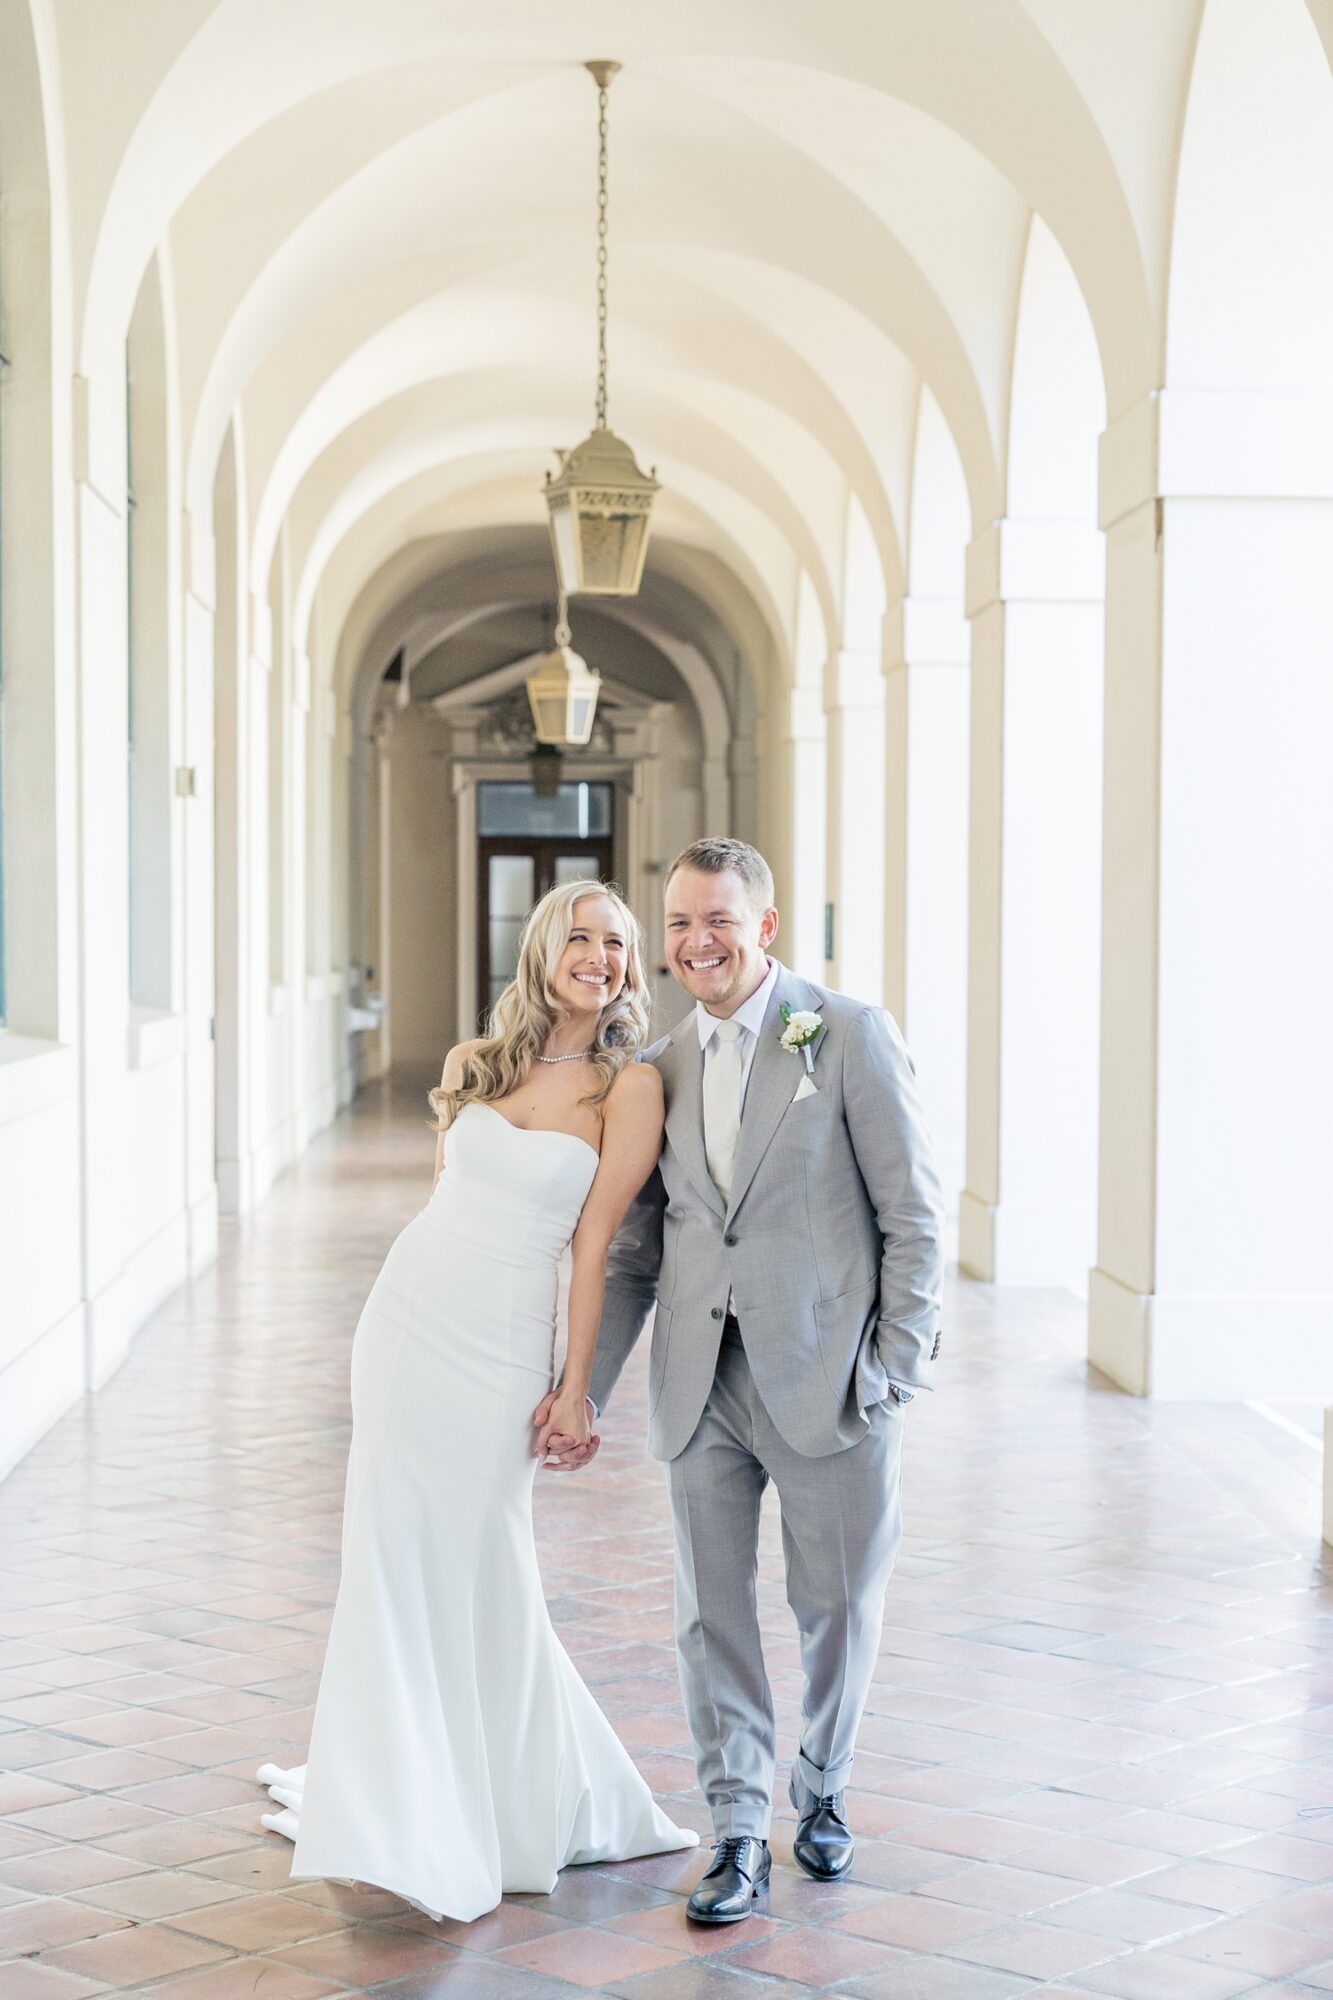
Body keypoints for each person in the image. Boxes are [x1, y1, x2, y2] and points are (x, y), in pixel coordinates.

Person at [256, 880, 696, 1923]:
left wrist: (573, 1387)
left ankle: (503, 1787)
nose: (599, 956)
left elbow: (593, 1245)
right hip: (406, 1321)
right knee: (389, 1552)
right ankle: (389, 1799)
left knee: (484, 1551)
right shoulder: (470, 1065)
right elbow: (446, 1201)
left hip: (497, 1346)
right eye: (581, 937)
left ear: (631, 967)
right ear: (544, 947)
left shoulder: (626, 1088)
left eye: (619, 944)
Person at [537, 837, 944, 1924]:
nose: (694, 940)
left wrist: (893, 1368)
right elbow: (633, 1250)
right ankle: (733, 1828)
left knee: (838, 1606)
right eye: (677, 922)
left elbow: (913, 1215)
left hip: (830, 1378)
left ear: (762, 926)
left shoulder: (845, 1034)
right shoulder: (656, 1066)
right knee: (708, 1614)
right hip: (699, 1379)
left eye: (716, 918)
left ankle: (819, 1788)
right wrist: (582, 1384)